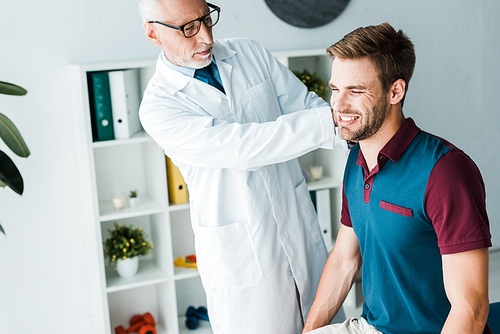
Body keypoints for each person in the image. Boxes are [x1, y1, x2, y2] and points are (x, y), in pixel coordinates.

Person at [136, 0, 346, 332]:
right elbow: (242, 148)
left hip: (299, 232)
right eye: (188, 28)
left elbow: (303, 106)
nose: (206, 37)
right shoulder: (159, 107)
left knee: (327, 327)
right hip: (242, 261)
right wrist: (331, 123)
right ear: (152, 33)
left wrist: (354, 132)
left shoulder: (248, 53)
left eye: (207, 19)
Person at [303, 22, 492, 334]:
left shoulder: (445, 172)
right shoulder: (356, 159)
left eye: (356, 91)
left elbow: (470, 309)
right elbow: (344, 260)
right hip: (371, 326)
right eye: (335, 89)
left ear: (395, 91)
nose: (338, 104)